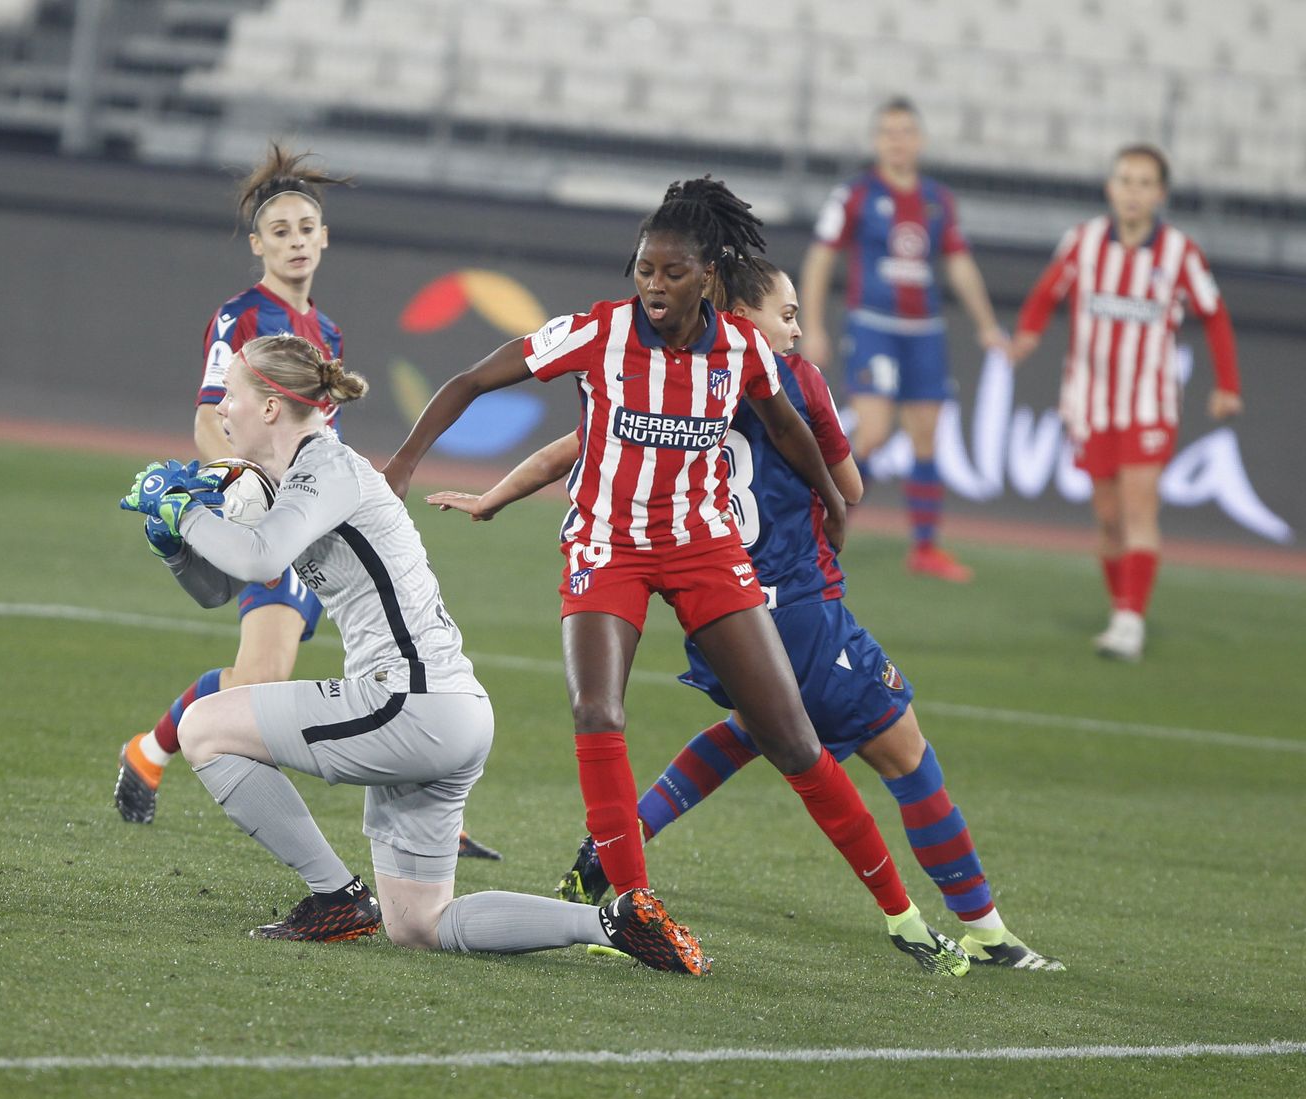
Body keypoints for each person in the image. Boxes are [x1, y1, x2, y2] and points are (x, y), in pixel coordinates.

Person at [386, 176, 970, 976]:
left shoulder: (740, 348)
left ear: (706, 275)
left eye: (670, 274)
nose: (652, 287)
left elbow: (788, 428)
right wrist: (404, 463)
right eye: (643, 270)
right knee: (597, 708)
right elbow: (470, 381)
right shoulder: (595, 333)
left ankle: (903, 916)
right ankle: (632, 908)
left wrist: (833, 499)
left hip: (703, 549)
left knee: (793, 739)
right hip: (608, 545)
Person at [117, 334, 699, 971]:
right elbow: (217, 589)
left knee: (204, 726)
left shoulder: (326, 467)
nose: (220, 409)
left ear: (271, 407)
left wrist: (188, 514)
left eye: (231, 394)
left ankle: (334, 897)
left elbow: (259, 561)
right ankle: (616, 922)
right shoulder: (288, 480)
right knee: (419, 924)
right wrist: (173, 542)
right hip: (447, 710)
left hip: (408, 702)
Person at [110, 140, 501, 859]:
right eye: (279, 231)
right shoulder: (242, 319)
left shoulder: (326, 329)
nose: (294, 242)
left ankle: (430, 793)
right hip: (278, 518)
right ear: (257, 244)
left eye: (305, 229)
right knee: (266, 678)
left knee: (375, 649)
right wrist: (247, 495)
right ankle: (154, 749)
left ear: (325, 238)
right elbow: (208, 416)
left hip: (317, 519)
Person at [1011, 143, 1242, 662]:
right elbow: (1048, 292)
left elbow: (1215, 314)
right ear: (1110, 188)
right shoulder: (1083, 242)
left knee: (1139, 507)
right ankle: (1121, 609)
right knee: (1108, 516)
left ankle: (1130, 621)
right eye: (1125, 180)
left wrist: (1228, 384)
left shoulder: (1180, 253)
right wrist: (1027, 335)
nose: (1133, 192)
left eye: (1144, 183)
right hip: (1089, 402)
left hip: (1148, 403)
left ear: (1159, 194)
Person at [800, 96, 1008, 583]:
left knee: (925, 436)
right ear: (877, 142)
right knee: (872, 433)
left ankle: (925, 547)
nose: (898, 142)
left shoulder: (938, 200)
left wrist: (985, 324)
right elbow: (820, 259)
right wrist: (814, 324)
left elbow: (957, 262)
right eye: (889, 133)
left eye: (906, 132)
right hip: (874, 326)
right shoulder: (854, 195)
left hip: (925, 332)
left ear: (920, 140)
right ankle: (823, 527)